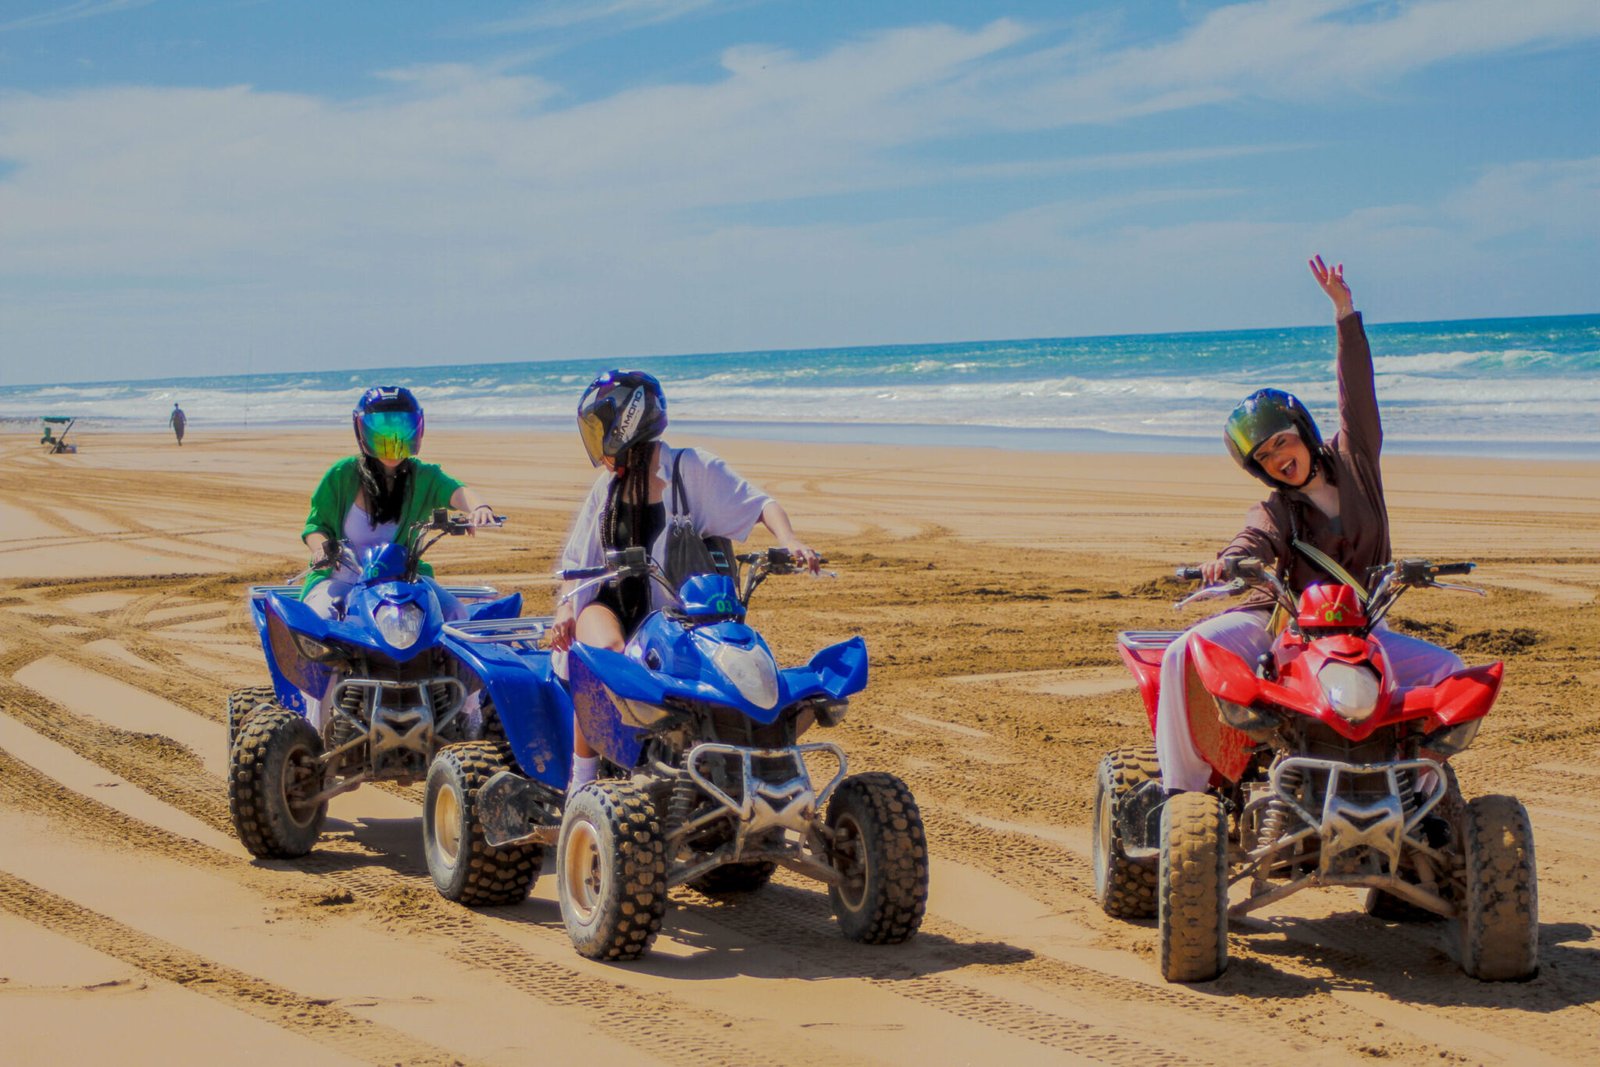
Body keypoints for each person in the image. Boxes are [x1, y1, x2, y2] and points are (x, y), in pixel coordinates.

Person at [1154, 256, 1466, 794]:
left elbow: (1357, 394)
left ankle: (1421, 797)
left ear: (1301, 430)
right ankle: (1181, 792)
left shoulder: (1357, 462)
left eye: (1282, 441)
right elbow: (1252, 539)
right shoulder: (1277, 509)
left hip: (1364, 627)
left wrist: (1345, 314)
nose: (1279, 458)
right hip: (1288, 628)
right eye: (1265, 457)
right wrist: (1227, 561)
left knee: (1451, 675)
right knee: (1185, 652)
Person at [549, 370, 819, 793]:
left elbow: (760, 504)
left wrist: (790, 541)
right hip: (613, 606)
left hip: (683, 618)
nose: (596, 440)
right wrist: (566, 608)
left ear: (627, 423)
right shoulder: (607, 491)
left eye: (600, 427)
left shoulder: (691, 470)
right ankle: (580, 784)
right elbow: (576, 566)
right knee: (602, 658)